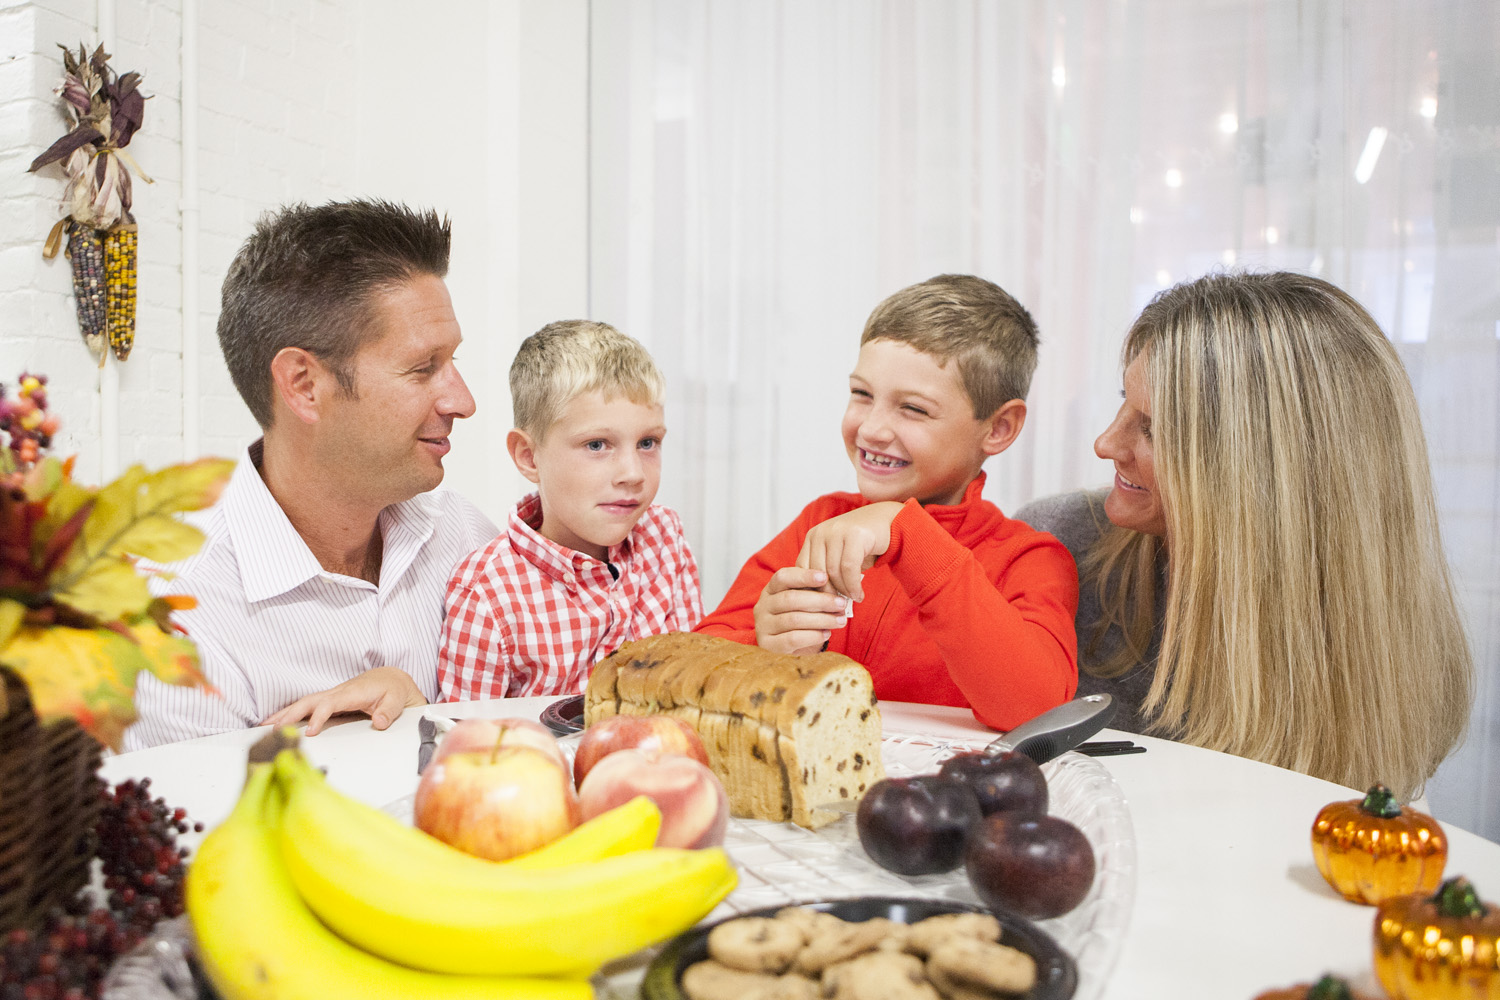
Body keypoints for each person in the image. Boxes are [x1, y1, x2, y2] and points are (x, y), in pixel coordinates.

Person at [1017, 271, 1473, 799]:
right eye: (1124, 401)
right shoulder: (1053, 546)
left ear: (1261, 470)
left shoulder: (1386, 641)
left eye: (1156, 427)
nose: (1105, 443)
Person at [123, 200, 497, 750]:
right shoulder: (176, 619)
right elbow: (211, 833)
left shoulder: (467, 539)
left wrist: (426, 722)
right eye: (423, 368)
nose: (463, 402)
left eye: (453, 364)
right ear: (303, 385)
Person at [695, 274, 1079, 732]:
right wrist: (764, 647)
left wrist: (908, 531)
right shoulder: (821, 522)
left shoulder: (1029, 559)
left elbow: (1037, 710)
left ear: (998, 428)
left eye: (913, 409)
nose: (872, 429)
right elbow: (699, 664)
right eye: (862, 394)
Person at [437, 321, 703, 699]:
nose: (632, 474)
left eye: (648, 442)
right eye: (597, 445)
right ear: (528, 457)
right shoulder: (487, 594)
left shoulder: (665, 538)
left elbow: (692, 687)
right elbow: (466, 739)